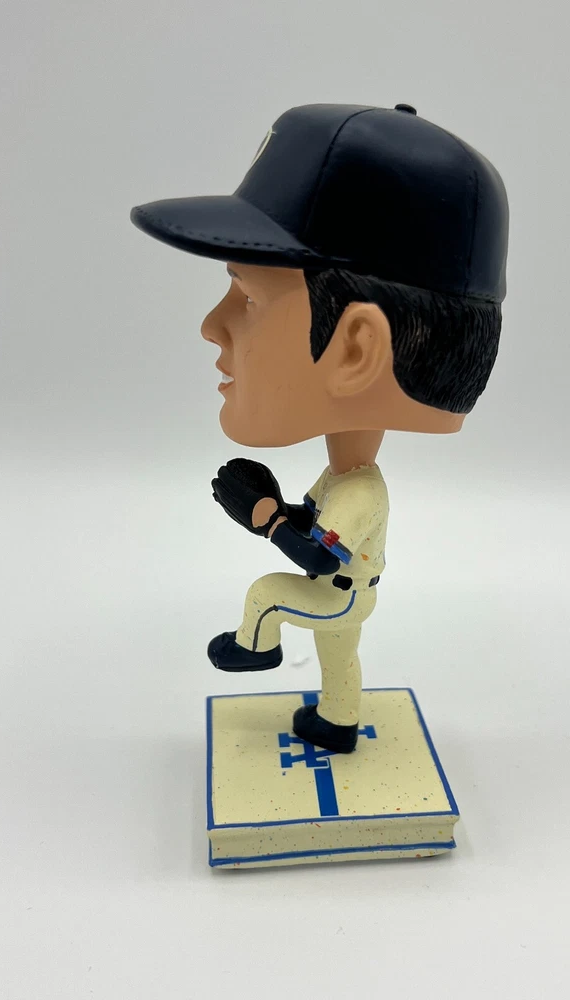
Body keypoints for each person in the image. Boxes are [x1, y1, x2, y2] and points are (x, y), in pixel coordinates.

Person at [130, 102, 508, 752]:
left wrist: (265, 520)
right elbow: (316, 526)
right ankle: (336, 720)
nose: (212, 325)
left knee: (266, 594)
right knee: (339, 661)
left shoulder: (360, 490)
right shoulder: (346, 478)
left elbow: (314, 555)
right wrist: (285, 511)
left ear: (356, 349)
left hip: (338, 593)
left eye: (248, 297)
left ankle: (257, 648)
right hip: (343, 590)